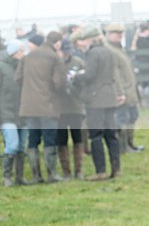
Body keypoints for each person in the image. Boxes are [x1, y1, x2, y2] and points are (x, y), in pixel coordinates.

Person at [16, 31, 67, 183]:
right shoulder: (54, 58)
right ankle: (51, 174)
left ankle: (36, 175)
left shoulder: (27, 57)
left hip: (29, 105)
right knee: (49, 139)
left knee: (33, 140)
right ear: (57, 43)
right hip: (48, 105)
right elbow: (59, 83)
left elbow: (18, 78)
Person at [73, 28, 123, 181]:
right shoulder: (108, 51)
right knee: (111, 135)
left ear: (91, 39)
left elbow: (89, 75)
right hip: (109, 96)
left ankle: (100, 171)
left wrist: (77, 76)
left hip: (96, 100)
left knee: (96, 135)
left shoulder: (93, 53)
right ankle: (116, 169)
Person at [105, 23, 143, 153]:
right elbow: (114, 75)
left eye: (121, 34)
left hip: (130, 89)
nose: (119, 36)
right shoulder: (110, 51)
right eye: (116, 33)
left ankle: (129, 144)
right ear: (109, 34)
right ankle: (123, 147)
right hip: (122, 91)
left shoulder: (119, 49)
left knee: (132, 116)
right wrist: (120, 92)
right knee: (122, 118)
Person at [57, 41, 86, 179]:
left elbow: (85, 81)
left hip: (76, 106)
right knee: (61, 140)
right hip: (60, 108)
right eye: (64, 51)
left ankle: (79, 170)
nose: (66, 53)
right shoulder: (56, 64)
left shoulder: (78, 62)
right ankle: (66, 171)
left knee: (77, 138)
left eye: (68, 50)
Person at [1, 39, 28, 186]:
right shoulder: (1, 67)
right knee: (12, 144)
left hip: (23, 112)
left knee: (22, 147)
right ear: (12, 52)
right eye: (20, 51)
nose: (23, 54)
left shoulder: (23, 67)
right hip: (6, 113)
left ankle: (20, 177)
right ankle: (7, 177)